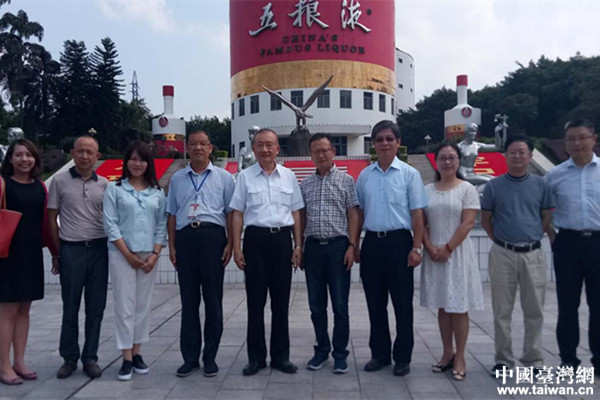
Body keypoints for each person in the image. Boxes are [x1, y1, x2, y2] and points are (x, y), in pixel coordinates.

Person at [230, 128, 304, 376]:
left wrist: (298, 245)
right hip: (255, 241)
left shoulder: (289, 176)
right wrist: (237, 248)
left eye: (269, 145)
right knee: (255, 303)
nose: (264, 149)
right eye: (260, 145)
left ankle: (281, 357)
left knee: (281, 303)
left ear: (277, 148)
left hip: (282, 241)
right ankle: (256, 358)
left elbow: (296, 212)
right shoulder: (245, 177)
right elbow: (237, 213)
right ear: (254, 148)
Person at [355, 120, 427, 376]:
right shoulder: (365, 176)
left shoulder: (410, 174)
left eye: (389, 139)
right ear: (373, 144)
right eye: (379, 140)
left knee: (402, 304)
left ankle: (403, 357)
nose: (384, 143)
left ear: (398, 142)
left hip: (400, 243)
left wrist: (416, 248)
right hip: (372, 243)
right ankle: (380, 354)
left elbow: (417, 214)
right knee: (375, 304)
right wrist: (355, 244)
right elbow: (359, 213)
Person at [481, 135, 553, 377]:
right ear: (505, 155)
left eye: (522, 152)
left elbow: (545, 218)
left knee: (535, 310)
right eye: (512, 151)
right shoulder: (493, 186)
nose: (517, 156)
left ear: (530, 156)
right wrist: (502, 241)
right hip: (503, 253)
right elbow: (486, 221)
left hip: (533, 254)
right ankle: (503, 360)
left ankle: (534, 360)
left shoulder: (541, 185)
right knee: (502, 310)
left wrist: (531, 236)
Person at [166, 130, 235, 378]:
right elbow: (172, 214)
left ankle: (210, 357)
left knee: (213, 300)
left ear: (210, 148)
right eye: (193, 144)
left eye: (202, 144)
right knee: (189, 301)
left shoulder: (224, 177)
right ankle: (190, 357)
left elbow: (231, 213)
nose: (198, 148)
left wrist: (230, 244)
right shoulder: (177, 179)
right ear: (187, 148)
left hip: (212, 238)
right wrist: (172, 246)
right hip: (185, 238)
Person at [102, 141, 167, 381]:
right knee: (124, 305)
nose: (137, 164)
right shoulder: (115, 189)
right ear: (126, 161)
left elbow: (161, 225)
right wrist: (127, 254)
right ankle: (126, 357)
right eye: (133, 159)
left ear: (149, 164)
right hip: (122, 255)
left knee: (142, 306)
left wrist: (155, 254)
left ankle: (137, 352)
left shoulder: (158, 192)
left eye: (142, 159)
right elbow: (110, 223)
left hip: (149, 255)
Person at [420, 141, 483, 381]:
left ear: (458, 161)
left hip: (457, 253)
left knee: (459, 306)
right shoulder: (427, 190)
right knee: (443, 304)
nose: (447, 162)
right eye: (443, 157)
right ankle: (447, 352)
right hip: (434, 252)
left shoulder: (466, 189)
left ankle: (461, 356)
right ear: (436, 161)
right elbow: (421, 222)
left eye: (452, 157)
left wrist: (448, 248)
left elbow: (468, 222)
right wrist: (429, 247)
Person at [48, 136, 109, 380]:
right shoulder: (59, 181)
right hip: (71, 250)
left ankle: (90, 357)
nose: (85, 156)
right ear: (72, 153)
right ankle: (69, 357)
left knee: (96, 307)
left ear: (97, 156)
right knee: (70, 306)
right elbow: (51, 218)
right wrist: (57, 251)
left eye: (90, 152)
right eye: (80, 151)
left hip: (99, 249)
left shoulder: (104, 184)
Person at [299, 133, 359, 374]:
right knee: (316, 306)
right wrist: (299, 247)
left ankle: (340, 354)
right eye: (316, 151)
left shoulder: (346, 180)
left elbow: (353, 213)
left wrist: (352, 246)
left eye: (325, 150)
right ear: (311, 155)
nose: (321, 154)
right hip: (313, 248)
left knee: (340, 305)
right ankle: (321, 350)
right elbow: (301, 217)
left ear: (333, 151)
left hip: (338, 248)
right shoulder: (305, 184)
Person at [544, 119, 600, 376]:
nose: (577, 143)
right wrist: (551, 234)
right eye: (571, 139)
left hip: (598, 243)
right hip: (567, 243)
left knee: (598, 305)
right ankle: (568, 360)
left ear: (593, 139)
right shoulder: (554, 175)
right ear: (565, 143)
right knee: (567, 305)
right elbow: (542, 208)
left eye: (582, 137)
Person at [0, 139, 57, 385]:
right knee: (7, 311)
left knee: (24, 309)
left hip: (31, 254)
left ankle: (19, 361)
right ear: (10, 158)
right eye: (19, 155)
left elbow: (46, 223)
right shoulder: (3, 184)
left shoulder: (40, 187)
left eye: (29, 155)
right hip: (7, 255)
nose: (24, 159)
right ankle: (3, 365)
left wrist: (55, 252)